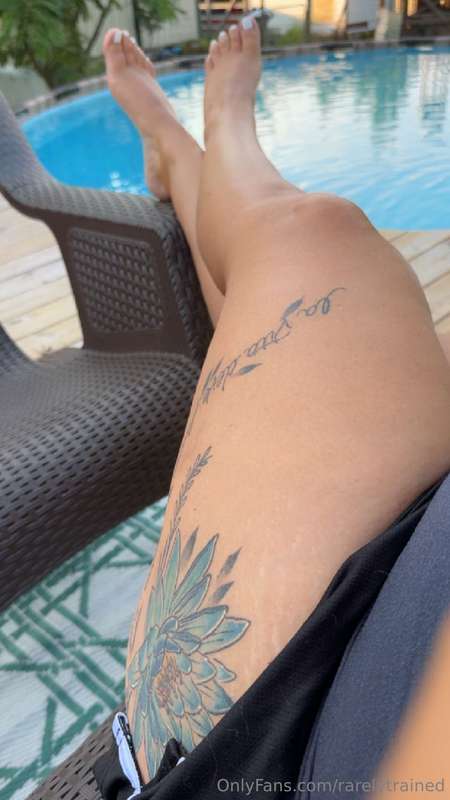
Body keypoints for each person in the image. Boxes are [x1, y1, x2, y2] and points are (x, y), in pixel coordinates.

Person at [94, 23, 450, 799]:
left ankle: (203, 134)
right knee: (267, 312)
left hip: (263, 748)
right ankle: (186, 148)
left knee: (308, 235)